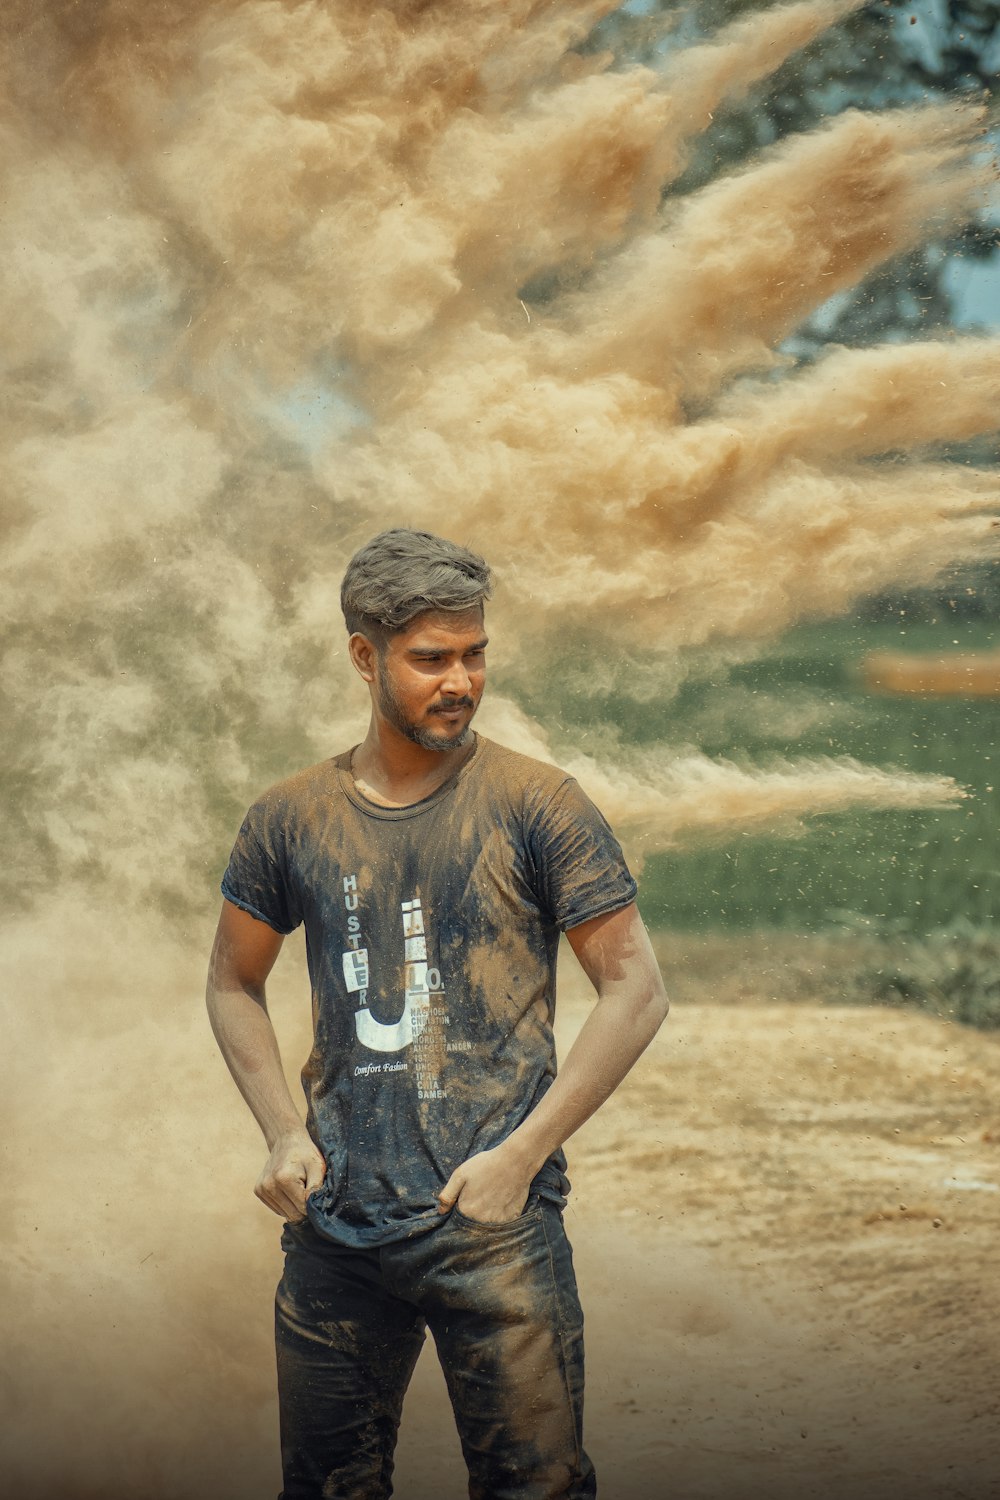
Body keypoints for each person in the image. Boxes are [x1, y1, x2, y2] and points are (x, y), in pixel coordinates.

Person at [206, 527, 669, 1500]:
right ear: (364, 657)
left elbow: (636, 989)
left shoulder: (538, 804)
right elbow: (232, 982)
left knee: (535, 1489)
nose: (460, 681)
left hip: (492, 1227)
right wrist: (282, 1134)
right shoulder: (291, 818)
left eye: (475, 654)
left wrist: (520, 1157)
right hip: (334, 1230)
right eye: (430, 659)